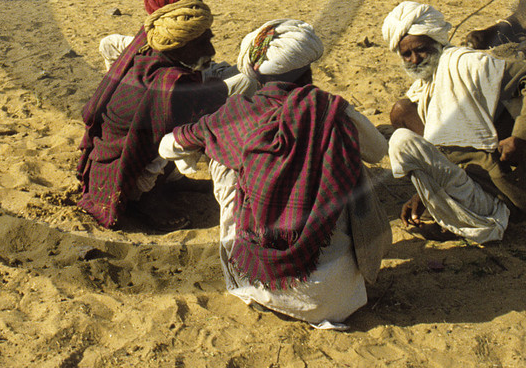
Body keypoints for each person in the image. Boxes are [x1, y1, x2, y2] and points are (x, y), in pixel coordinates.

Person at [160, 19, 389, 328]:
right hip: (337, 300)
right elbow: (378, 151)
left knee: (222, 153)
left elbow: (169, 146)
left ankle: (246, 260)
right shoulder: (331, 110)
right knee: (341, 149)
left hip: (254, 284)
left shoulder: (234, 114)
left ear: (254, 74)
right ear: (309, 71)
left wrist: (198, 149)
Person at [381, 1, 526, 244]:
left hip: (499, 186)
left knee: (402, 142)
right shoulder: (423, 89)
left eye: (421, 50)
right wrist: (422, 195)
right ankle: (457, 221)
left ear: (437, 42)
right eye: (406, 54)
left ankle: (480, 223)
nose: (414, 59)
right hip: (464, 181)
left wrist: (520, 137)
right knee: (401, 111)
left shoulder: (468, 65)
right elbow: (443, 157)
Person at [76, 0, 226, 230]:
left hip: (124, 139)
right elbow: (154, 136)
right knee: (184, 130)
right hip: (127, 155)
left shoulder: (153, 38)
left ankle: (172, 180)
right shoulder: (169, 83)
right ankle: (147, 198)